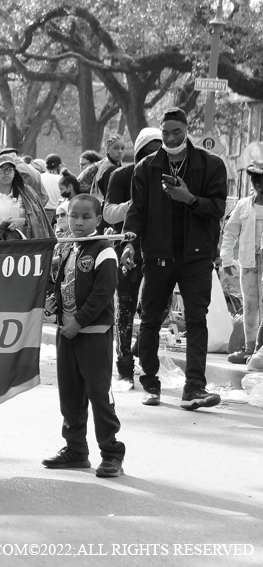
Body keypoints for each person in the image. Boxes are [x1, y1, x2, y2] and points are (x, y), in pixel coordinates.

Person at [121, 107, 227, 410]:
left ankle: (194, 388)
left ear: (186, 129)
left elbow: (217, 208)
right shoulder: (146, 167)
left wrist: (189, 199)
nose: (170, 138)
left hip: (196, 256)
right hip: (157, 255)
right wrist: (129, 243)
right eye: (165, 132)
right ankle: (151, 383)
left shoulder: (210, 165)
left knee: (196, 320)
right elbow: (136, 212)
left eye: (176, 132)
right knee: (152, 319)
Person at [43, 193, 125, 478]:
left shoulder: (104, 250)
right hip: (66, 333)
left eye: (85, 217)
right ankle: (76, 449)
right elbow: (63, 283)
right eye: (72, 216)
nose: (77, 222)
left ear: (98, 219)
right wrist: (53, 304)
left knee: (99, 395)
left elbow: (103, 294)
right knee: (70, 393)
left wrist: (78, 322)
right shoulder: (66, 247)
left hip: (93, 334)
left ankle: (112, 452)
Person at [103, 127, 163, 388]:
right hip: (128, 249)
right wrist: (136, 202)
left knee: (159, 308)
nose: (154, 158)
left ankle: (141, 346)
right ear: (138, 154)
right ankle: (125, 364)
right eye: (148, 153)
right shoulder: (121, 175)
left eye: (159, 153)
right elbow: (108, 214)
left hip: (159, 251)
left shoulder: (168, 177)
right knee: (125, 307)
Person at [220, 161, 263, 364]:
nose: (259, 185)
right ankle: (249, 347)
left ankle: (260, 350)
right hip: (248, 264)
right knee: (250, 306)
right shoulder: (244, 205)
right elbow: (229, 232)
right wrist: (226, 259)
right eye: (256, 181)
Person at [0, 156, 53, 241]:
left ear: (14, 173)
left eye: (10, 170)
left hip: (20, 250)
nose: (6, 173)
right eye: (2, 170)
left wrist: (23, 221)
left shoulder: (26, 195)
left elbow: (40, 220)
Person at [41, 154, 64, 225]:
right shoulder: (62, 179)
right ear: (59, 166)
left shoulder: (39, 177)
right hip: (57, 214)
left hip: (42, 213)